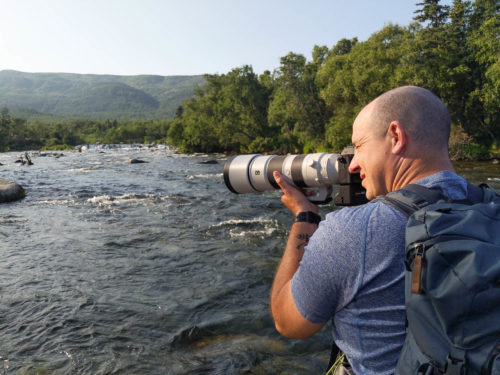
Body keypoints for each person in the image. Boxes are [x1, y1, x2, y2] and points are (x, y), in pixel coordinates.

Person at [270, 86, 469, 374]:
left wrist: (305, 218)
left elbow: (288, 323)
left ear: (396, 136)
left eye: (359, 146)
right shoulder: (491, 207)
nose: (353, 164)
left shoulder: (352, 231)